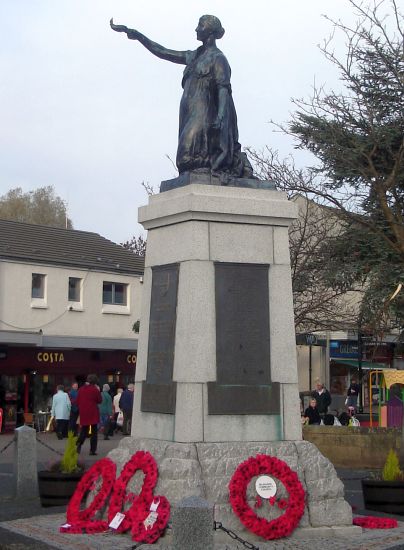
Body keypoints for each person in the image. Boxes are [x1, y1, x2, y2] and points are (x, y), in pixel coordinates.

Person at [110, 15, 254, 178]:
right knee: (186, 158)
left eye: (200, 26)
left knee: (188, 155)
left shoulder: (218, 58)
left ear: (210, 32)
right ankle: (200, 174)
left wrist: (221, 117)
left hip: (205, 113)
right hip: (188, 113)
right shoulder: (193, 56)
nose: (196, 29)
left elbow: (223, 89)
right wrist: (138, 36)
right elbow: (163, 51)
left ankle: (208, 172)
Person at [76, 374, 102, 455]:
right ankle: (92, 450)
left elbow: (77, 401)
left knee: (84, 429)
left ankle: (79, 443)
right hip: (93, 411)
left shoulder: (81, 389)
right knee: (94, 432)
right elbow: (99, 400)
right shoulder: (95, 390)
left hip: (83, 411)